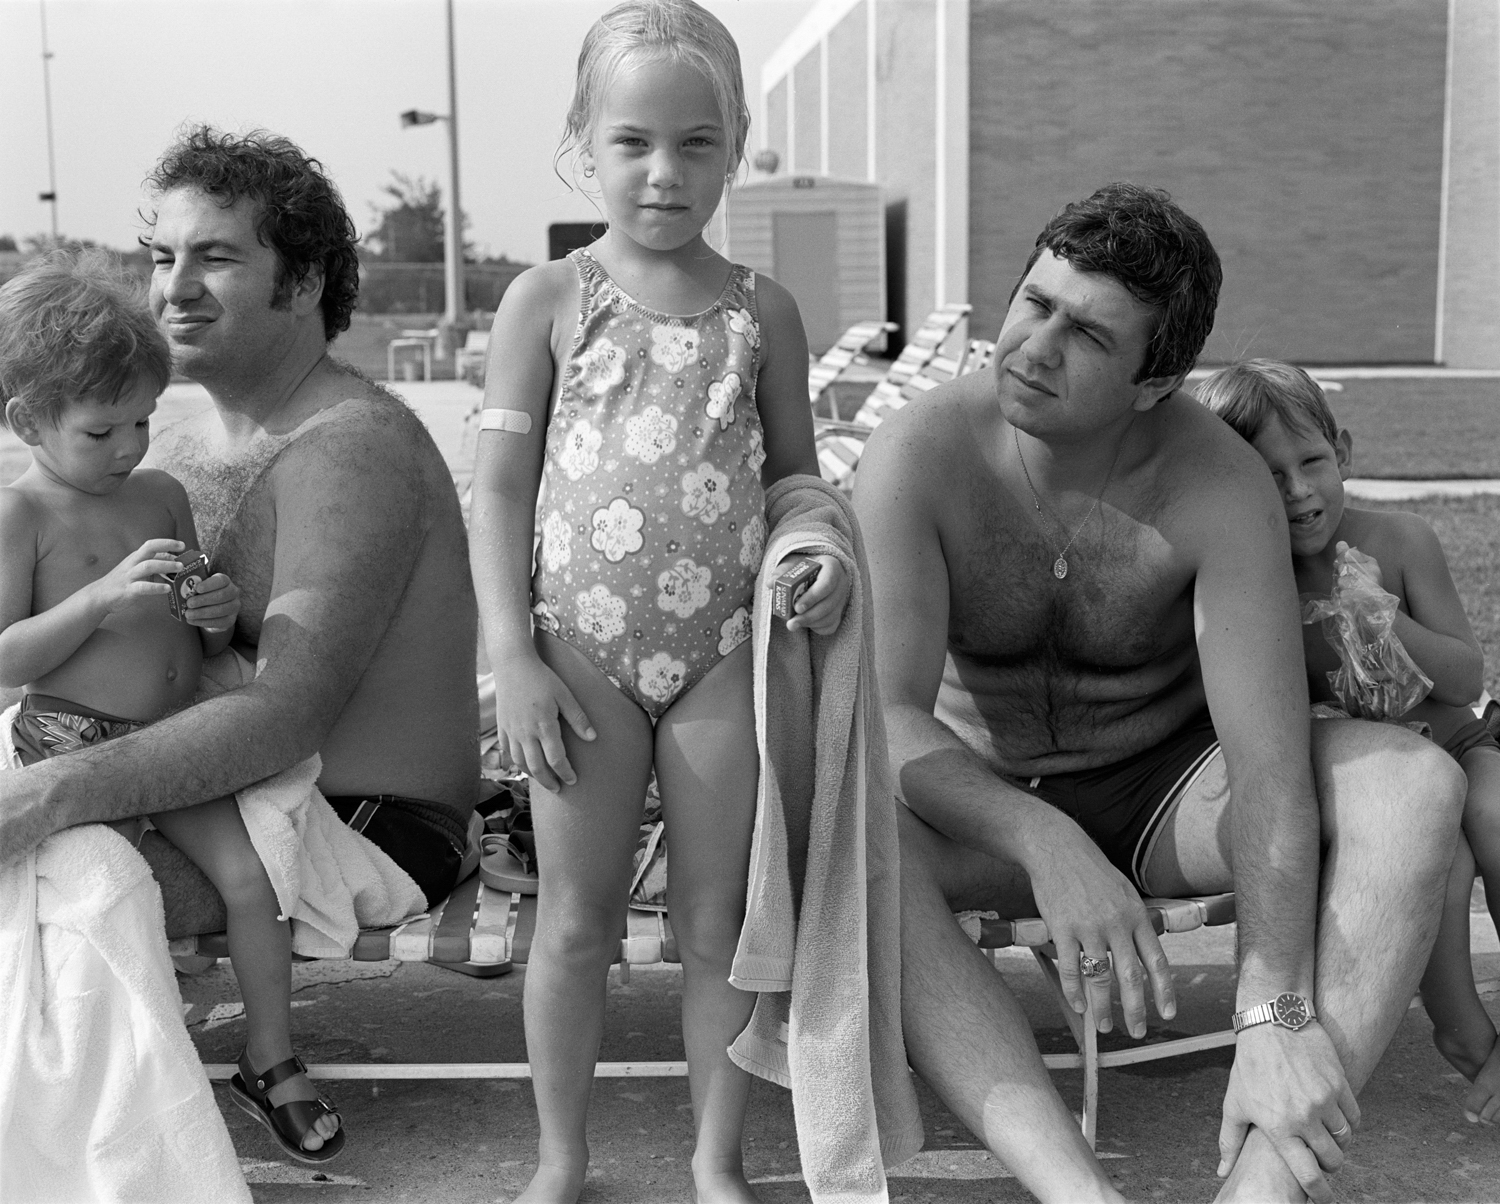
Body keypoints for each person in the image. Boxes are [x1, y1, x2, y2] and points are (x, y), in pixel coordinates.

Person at [853, 182, 1466, 1204]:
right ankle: (1079, 1193)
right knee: (855, 842)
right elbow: (883, 715)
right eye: (1033, 301)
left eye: (1086, 334)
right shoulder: (921, 452)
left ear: (1156, 380)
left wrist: (1272, 1007)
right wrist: (1044, 843)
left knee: (1414, 786)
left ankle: (1264, 1183)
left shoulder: (1214, 484)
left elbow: (1269, 764)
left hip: (1159, 793)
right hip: (973, 797)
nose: (1033, 347)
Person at [0, 128, 480, 1150]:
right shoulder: (161, 442)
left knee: (41, 870)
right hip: (221, 772)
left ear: (302, 281)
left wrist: (48, 792)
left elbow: (283, 713)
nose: (172, 286)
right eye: (160, 253)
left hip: (361, 821)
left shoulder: (346, 453)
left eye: (214, 256)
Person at [467, 4, 849, 1200]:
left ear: (736, 144)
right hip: (577, 655)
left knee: (712, 921)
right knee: (574, 921)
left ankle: (713, 1161)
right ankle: (560, 1159)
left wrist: (810, 546)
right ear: (586, 139)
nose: (664, 172)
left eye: (696, 143)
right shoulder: (547, 301)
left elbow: (797, 474)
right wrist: (512, 653)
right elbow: (497, 491)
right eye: (633, 141)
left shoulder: (762, 313)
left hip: (725, 655)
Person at [0, 248, 348, 1161]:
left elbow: (201, 645)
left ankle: (270, 1058)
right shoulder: (23, 515)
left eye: (145, 420)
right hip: (68, 744)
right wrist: (97, 601)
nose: (129, 447)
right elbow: (2, 661)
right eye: (100, 431)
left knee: (252, 881)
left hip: (171, 736)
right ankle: (109, 1093)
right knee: (96, 910)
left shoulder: (160, 494)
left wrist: (215, 612)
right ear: (28, 420)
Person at [1199, 358, 1500, 1126]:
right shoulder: (1248, 579)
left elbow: (1465, 677)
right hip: (1379, 777)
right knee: (1446, 856)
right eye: (1270, 476)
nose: (1299, 492)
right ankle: (1464, 1033)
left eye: (1313, 463)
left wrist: (1381, 618)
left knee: (1496, 821)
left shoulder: (1401, 539)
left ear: (1347, 453)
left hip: (1463, 742)